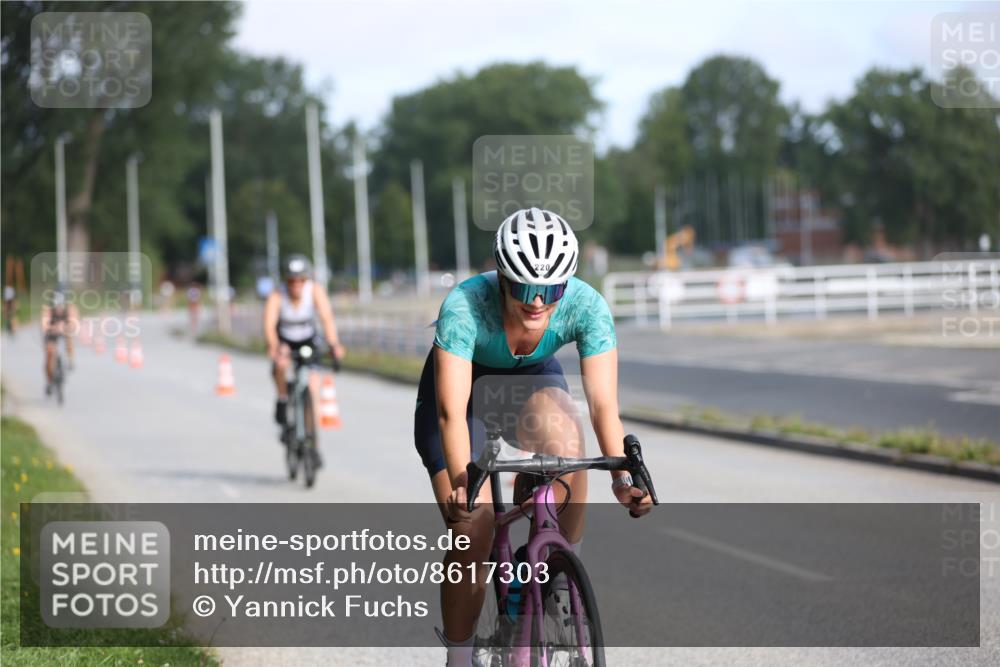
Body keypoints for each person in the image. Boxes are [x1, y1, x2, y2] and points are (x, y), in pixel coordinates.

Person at [414, 207, 652, 666]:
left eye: (551, 288)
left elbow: (604, 407)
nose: (538, 300)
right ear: (502, 278)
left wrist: (622, 478)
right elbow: (449, 412)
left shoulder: (587, 306)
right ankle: (459, 658)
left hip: (528, 385)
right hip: (462, 399)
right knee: (473, 526)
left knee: (570, 450)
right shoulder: (465, 307)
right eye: (524, 287)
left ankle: (560, 581)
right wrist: (466, 479)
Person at [263, 255, 345, 445]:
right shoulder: (277, 295)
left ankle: (311, 439)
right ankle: (283, 399)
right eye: (292, 280)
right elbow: (268, 325)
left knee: (313, 385)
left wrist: (334, 345)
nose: (296, 285)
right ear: (286, 280)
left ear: (306, 280)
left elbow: (327, 319)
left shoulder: (315, 291)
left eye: (301, 280)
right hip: (285, 340)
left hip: (308, 340)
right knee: (281, 364)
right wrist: (275, 346)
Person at [40, 290, 77, 392]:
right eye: (56, 307)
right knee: (50, 353)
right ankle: (49, 381)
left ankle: (70, 359)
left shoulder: (70, 308)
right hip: (51, 334)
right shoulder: (48, 310)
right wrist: (52, 328)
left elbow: (74, 322)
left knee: (69, 338)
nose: (59, 309)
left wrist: (66, 327)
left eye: (61, 306)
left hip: (64, 331)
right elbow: (44, 325)